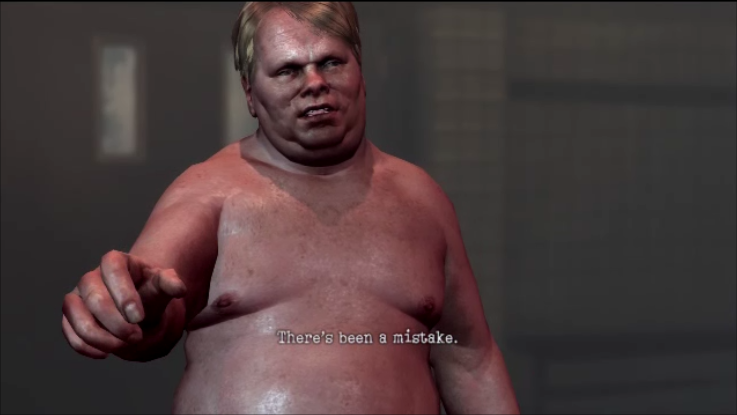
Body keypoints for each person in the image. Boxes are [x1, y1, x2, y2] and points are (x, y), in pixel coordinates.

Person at [61, 2, 520, 414]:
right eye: (288, 70)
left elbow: (470, 358)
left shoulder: (421, 198)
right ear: (250, 93)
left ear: (360, 71)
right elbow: (153, 300)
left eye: (331, 62)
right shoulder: (210, 192)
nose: (315, 83)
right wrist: (134, 307)